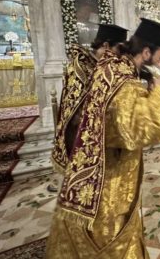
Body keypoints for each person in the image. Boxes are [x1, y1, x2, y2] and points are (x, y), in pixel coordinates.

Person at [35, 19, 160, 259]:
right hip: (107, 185)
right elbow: (135, 129)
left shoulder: (113, 67)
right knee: (110, 248)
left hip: (94, 174)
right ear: (146, 53)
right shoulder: (122, 80)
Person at [52, 24, 128, 174]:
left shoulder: (101, 64)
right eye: (118, 49)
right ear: (106, 46)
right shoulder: (80, 67)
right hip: (80, 138)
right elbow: (77, 112)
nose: (119, 56)